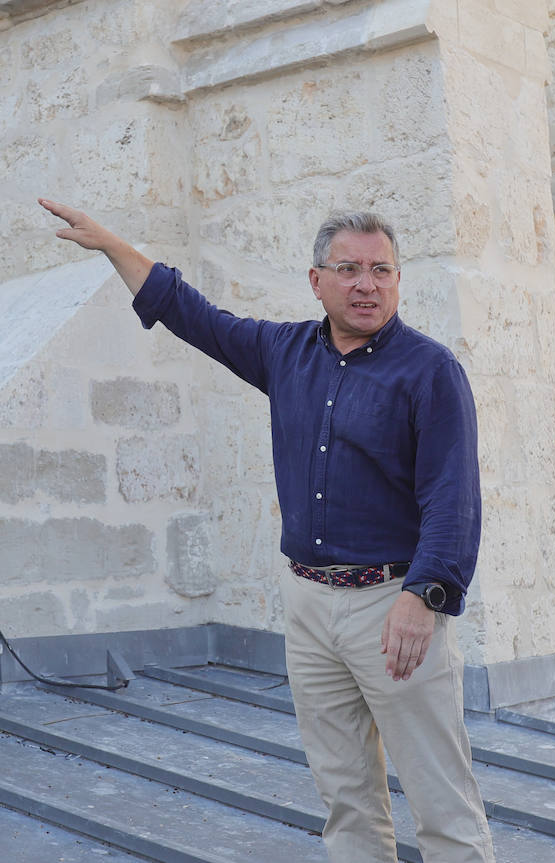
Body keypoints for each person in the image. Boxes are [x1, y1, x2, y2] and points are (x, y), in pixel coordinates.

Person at [40, 198, 495, 863]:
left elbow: (454, 500)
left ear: (398, 280)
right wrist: (114, 245)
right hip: (309, 606)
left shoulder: (430, 372)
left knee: (442, 802)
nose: (366, 284)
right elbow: (192, 313)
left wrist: (423, 597)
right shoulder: (285, 352)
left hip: (392, 605)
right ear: (318, 281)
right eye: (349, 269)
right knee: (347, 802)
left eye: (381, 270)